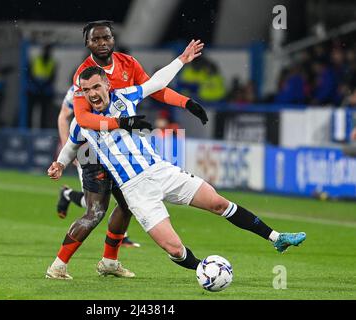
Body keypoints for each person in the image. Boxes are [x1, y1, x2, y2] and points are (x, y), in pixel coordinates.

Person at [48, 40, 306, 278]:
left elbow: (157, 83)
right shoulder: (83, 124)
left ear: (107, 85)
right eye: (85, 90)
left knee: (218, 202)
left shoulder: (125, 97)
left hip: (162, 171)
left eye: (96, 86)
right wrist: (60, 163)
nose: (92, 94)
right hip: (137, 191)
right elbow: (71, 146)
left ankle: (276, 237)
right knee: (175, 249)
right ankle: (205, 270)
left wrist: (181, 60)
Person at [55, 20, 207, 255]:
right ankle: (60, 263)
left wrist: (185, 102)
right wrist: (68, 151)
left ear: (113, 39)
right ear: (87, 43)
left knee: (126, 203)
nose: (102, 43)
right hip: (93, 147)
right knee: (96, 209)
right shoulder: (83, 77)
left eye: (106, 38)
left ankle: (109, 260)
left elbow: (154, 87)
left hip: (124, 145)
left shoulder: (128, 63)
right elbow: (78, 118)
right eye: (95, 39)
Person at [56, 84, 140, 248]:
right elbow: (63, 116)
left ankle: (119, 239)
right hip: (88, 152)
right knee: (93, 205)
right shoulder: (76, 91)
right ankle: (67, 194)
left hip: (112, 151)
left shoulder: (111, 84)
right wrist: (69, 147)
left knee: (124, 196)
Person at [27, 44, 56, 128]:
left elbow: (52, 77)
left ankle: (41, 128)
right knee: (31, 112)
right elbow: (30, 74)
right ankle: (29, 129)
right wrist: (38, 84)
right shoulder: (36, 60)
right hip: (35, 90)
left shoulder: (52, 62)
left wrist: (42, 85)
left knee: (44, 113)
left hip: (43, 91)